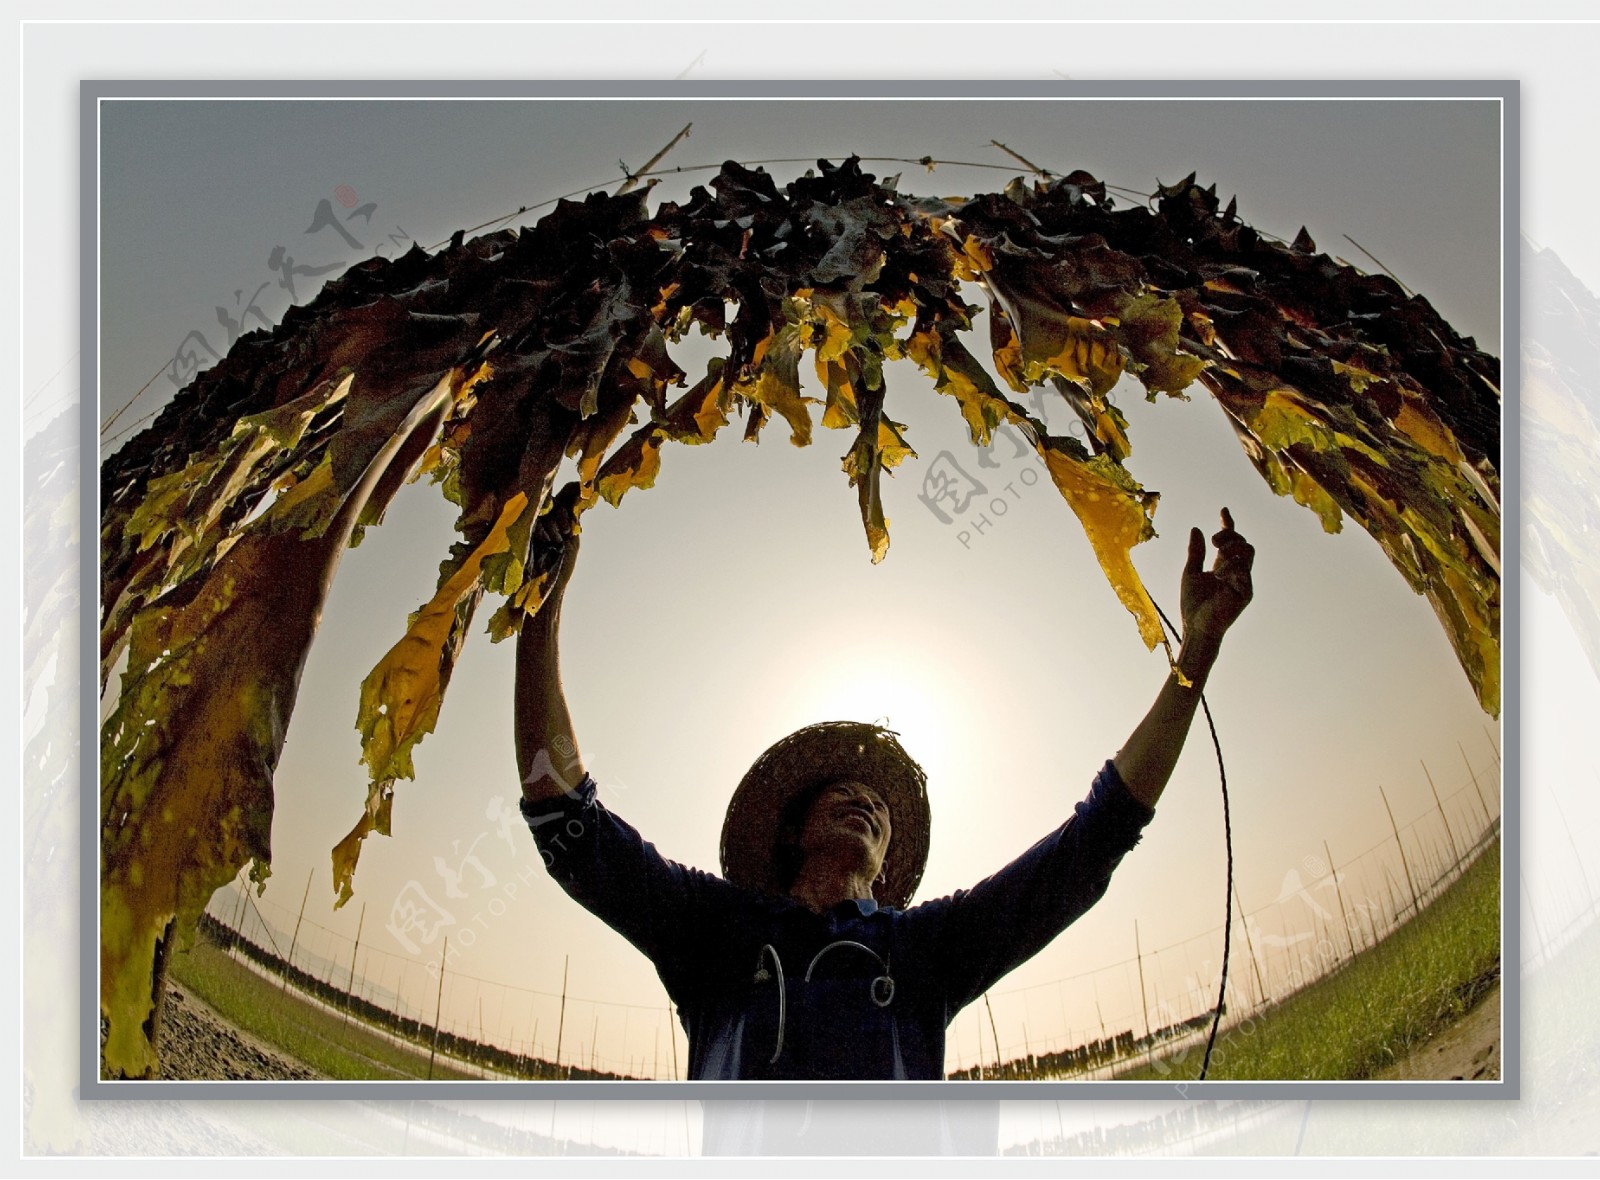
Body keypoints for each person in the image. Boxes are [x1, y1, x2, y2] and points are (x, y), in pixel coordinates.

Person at [515, 506, 1254, 1081]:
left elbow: (1097, 838)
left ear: (890, 859)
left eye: (879, 804)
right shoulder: (715, 932)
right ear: (795, 830)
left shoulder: (928, 950)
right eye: (840, 790)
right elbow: (563, 822)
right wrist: (539, 608)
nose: (865, 799)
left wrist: (1198, 650)